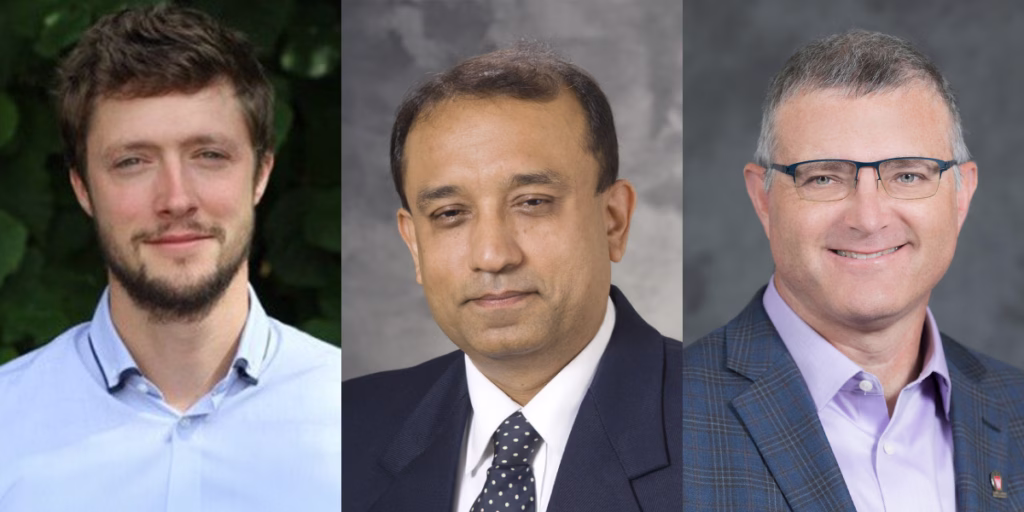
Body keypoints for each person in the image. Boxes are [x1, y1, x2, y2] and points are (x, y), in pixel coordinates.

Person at [0, 6, 340, 511]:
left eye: (209, 155)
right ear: (82, 188)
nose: (176, 198)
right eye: (132, 161)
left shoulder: (369, 421)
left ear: (262, 173)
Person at [683, 29, 1024, 510]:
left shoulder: (1017, 409)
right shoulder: (664, 415)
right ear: (764, 199)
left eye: (908, 175)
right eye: (824, 177)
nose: (868, 218)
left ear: (961, 194)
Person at [343, 43, 681, 511]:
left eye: (533, 202)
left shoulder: (722, 432)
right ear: (414, 245)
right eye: (449, 213)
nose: (492, 255)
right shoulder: (342, 429)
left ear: (613, 221)